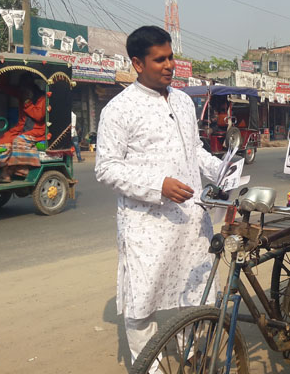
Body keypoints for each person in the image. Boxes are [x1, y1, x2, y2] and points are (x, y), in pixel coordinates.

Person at [94, 26, 223, 368]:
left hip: (191, 219)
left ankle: (193, 353)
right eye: (160, 59)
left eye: (171, 58)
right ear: (138, 63)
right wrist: (158, 185)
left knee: (197, 291)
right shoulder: (119, 109)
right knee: (142, 301)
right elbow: (106, 168)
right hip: (146, 224)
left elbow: (192, 150)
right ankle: (149, 366)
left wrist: (221, 170)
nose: (169, 66)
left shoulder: (182, 101)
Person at [0, 73, 47, 183]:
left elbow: (38, 116)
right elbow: (5, 88)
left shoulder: (41, 98)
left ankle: (21, 169)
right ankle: (5, 173)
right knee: (4, 139)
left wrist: (27, 102)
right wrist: (2, 73)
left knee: (18, 141)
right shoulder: (22, 93)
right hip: (21, 128)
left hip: (37, 130)